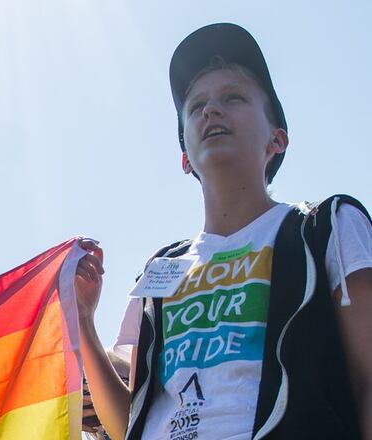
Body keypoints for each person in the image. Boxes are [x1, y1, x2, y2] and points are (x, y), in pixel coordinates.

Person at [75, 23, 372, 440]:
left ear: (277, 140)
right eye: (196, 106)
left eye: (233, 97)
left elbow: (367, 381)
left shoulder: (327, 227)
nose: (211, 111)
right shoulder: (160, 270)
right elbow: (129, 422)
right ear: (185, 160)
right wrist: (85, 322)